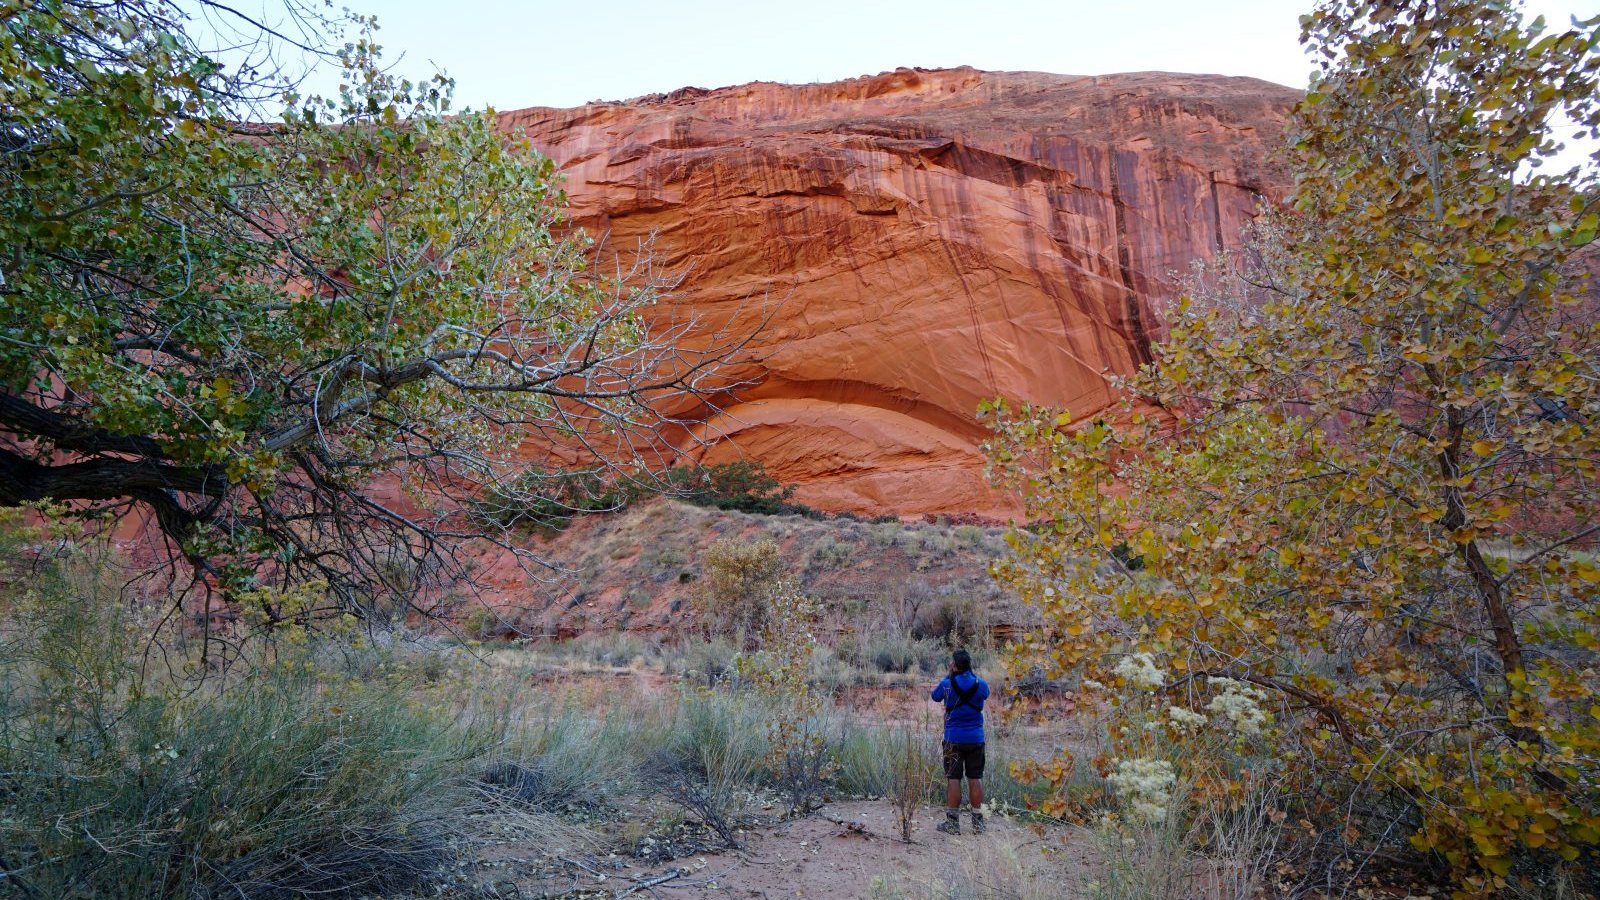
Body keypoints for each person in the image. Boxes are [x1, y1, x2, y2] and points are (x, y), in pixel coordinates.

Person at [930, 648, 989, 834]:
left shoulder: (947, 684)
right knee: (975, 778)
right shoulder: (981, 684)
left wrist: (949, 675)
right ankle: (978, 823)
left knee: (953, 779)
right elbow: (984, 695)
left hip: (953, 738)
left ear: (954, 665)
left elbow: (935, 696)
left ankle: (953, 823)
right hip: (976, 738)